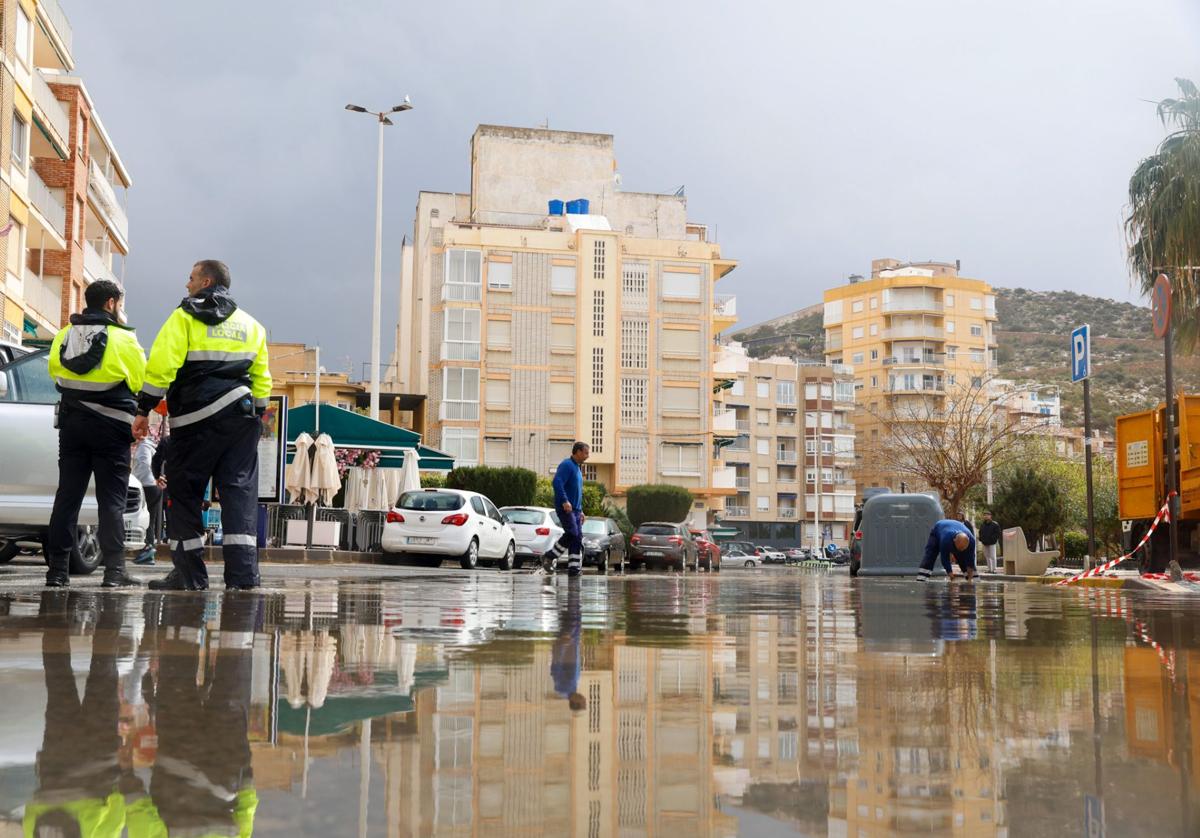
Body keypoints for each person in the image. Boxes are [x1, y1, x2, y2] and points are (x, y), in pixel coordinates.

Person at [134, 260, 272, 591]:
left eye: (191, 278)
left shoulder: (183, 318)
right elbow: (262, 380)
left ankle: (189, 576)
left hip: (195, 421)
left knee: (184, 494)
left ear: (206, 281)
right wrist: (259, 415)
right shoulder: (251, 325)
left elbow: (161, 367)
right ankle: (242, 578)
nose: (187, 284)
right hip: (240, 418)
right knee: (238, 494)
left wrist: (143, 409)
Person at [46, 279, 146, 588]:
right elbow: (142, 379)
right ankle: (114, 572)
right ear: (111, 303)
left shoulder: (64, 335)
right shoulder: (123, 340)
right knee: (111, 501)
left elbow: (54, 372)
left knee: (67, 497)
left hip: (73, 425)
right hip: (113, 428)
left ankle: (57, 572)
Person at [551, 441, 589, 576]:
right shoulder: (567, 465)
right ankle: (550, 556)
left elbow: (577, 491)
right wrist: (565, 501)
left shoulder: (578, 468)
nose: (587, 456)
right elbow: (557, 482)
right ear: (578, 452)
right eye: (586, 453)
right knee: (572, 533)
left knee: (577, 538)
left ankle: (574, 568)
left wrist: (581, 510)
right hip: (566, 508)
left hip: (576, 510)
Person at [550, 577, 587, 712]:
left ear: (575, 702)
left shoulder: (565, 687)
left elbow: (557, 666)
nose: (585, 699)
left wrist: (562, 644)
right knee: (573, 611)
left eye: (583, 703)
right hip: (572, 639)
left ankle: (571, 584)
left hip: (567, 639)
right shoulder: (569, 689)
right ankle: (569, 586)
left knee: (572, 610)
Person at [132, 429, 160, 565]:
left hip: (147, 486)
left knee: (146, 518)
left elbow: (144, 465)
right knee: (151, 519)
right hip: (154, 486)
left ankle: (147, 548)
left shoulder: (144, 447)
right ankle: (149, 550)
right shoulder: (150, 446)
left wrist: (136, 481)